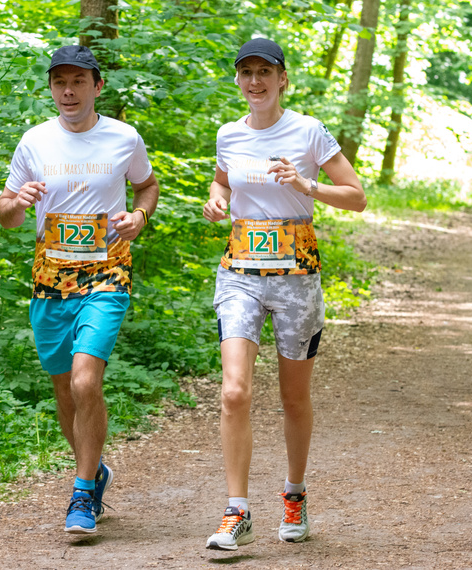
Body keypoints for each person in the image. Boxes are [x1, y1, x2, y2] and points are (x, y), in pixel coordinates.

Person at [202, 38, 366, 550]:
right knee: (234, 391)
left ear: (282, 79)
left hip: (297, 270)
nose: (255, 81)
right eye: (246, 72)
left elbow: (357, 197)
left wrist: (307, 185)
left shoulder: (309, 131)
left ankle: (294, 495)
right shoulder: (228, 134)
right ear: (238, 80)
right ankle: (237, 512)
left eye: (264, 72)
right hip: (240, 269)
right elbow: (222, 184)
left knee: (293, 397)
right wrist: (216, 199)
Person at [0, 45, 159, 535]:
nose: (68, 91)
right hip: (50, 277)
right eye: (59, 83)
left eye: (78, 82)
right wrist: (16, 202)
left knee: (87, 381)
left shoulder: (124, 138)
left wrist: (139, 217)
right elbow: (7, 215)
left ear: (97, 86)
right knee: (65, 388)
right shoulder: (34, 141)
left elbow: (146, 186)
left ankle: (83, 494)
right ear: (51, 88)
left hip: (107, 273)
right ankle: (94, 469)